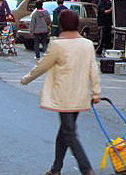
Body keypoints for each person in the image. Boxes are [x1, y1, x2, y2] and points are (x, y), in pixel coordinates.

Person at [22, 9, 101, 175]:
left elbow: (42, 66)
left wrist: (27, 79)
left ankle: (86, 169)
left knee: (69, 133)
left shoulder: (58, 44)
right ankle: (56, 168)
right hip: (80, 95)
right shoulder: (87, 44)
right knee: (65, 132)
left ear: (62, 24)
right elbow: (93, 69)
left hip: (63, 95)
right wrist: (95, 92)